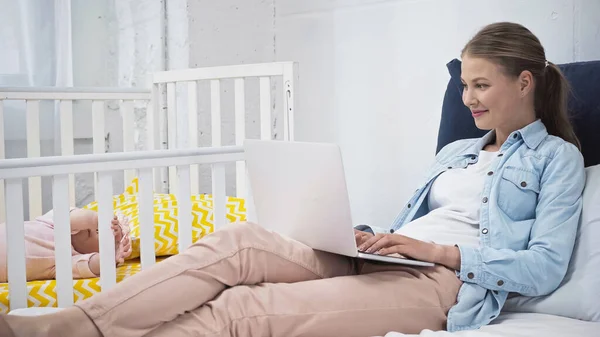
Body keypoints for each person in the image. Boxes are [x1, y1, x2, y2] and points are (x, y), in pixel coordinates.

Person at [0, 21, 586, 337]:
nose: (468, 98)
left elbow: (545, 266)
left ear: (526, 82)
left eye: (481, 85)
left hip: (446, 285)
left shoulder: (555, 159)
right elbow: (416, 221)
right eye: (464, 86)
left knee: (245, 310)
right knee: (238, 242)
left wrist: (437, 250)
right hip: (387, 254)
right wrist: (365, 234)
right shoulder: (458, 149)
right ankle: (69, 326)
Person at [0, 208, 132, 283]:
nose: (95, 229)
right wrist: (100, 218)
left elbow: (93, 265)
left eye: (99, 233)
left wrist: (111, 256)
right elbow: (80, 218)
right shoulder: (55, 223)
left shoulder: (66, 263)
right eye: (98, 227)